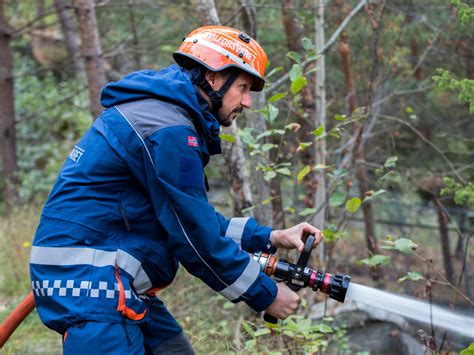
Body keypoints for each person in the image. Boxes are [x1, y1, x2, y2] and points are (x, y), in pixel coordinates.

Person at [29, 26, 323, 354]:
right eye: (242, 87)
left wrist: (271, 237)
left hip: (104, 280)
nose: (248, 102)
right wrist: (266, 294)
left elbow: (190, 217)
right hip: (91, 284)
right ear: (213, 78)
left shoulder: (162, 116)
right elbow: (195, 237)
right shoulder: (166, 129)